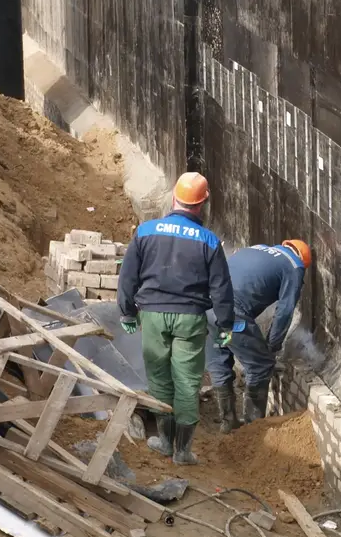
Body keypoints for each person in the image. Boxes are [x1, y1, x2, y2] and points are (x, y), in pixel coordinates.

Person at [117, 172, 234, 465]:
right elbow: (221, 288)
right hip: (190, 319)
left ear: (173, 198)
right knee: (187, 383)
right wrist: (226, 325)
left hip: (153, 316)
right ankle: (182, 452)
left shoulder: (145, 232)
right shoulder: (209, 241)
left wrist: (127, 312)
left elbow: (128, 277)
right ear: (203, 203)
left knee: (159, 381)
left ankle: (165, 443)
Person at [205, 239, 311, 433]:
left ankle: (228, 422)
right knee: (260, 366)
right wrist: (272, 346)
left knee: (220, 358)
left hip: (210, 312)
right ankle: (253, 430)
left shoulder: (257, 248)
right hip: (232, 317)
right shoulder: (294, 265)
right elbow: (285, 312)